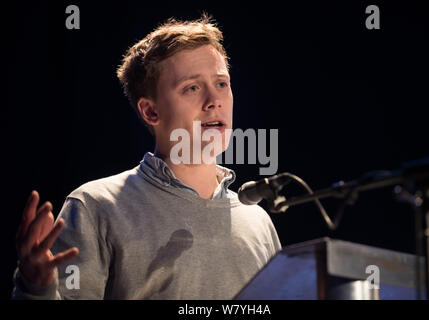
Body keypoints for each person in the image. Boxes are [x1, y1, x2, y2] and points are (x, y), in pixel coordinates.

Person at [12, 15, 282, 299]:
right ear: (150, 112)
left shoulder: (257, 220)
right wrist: (36, 288)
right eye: (192, 87)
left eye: (222, 84)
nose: (214, 100)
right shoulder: (97, 207)